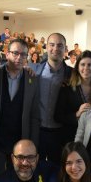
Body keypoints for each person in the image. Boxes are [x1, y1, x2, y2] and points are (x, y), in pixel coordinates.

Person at [0, 39, 40, 173]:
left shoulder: (32, 79)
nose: (19, 58)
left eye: (23, 55)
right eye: (15, 53)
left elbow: (34, 115)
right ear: (7, 53)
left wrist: (33, 144)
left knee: (17, 181)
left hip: (20, 143)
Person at [30, 33, 72, 164]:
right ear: (46, 47)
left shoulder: (72, 74)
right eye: (52, 45)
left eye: (60, 45)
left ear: (65, 49)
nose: (55, 49)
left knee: (58, 173)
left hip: (60, 133)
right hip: (37, 132)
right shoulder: (33, 70)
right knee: (37, 172)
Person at [55, 50, 91, 145]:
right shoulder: (67, 87)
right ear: (77, 67)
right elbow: (58, 116)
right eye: (82, 64)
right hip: (72, 139)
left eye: (89, 65)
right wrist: (77, 114)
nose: (86, 68)